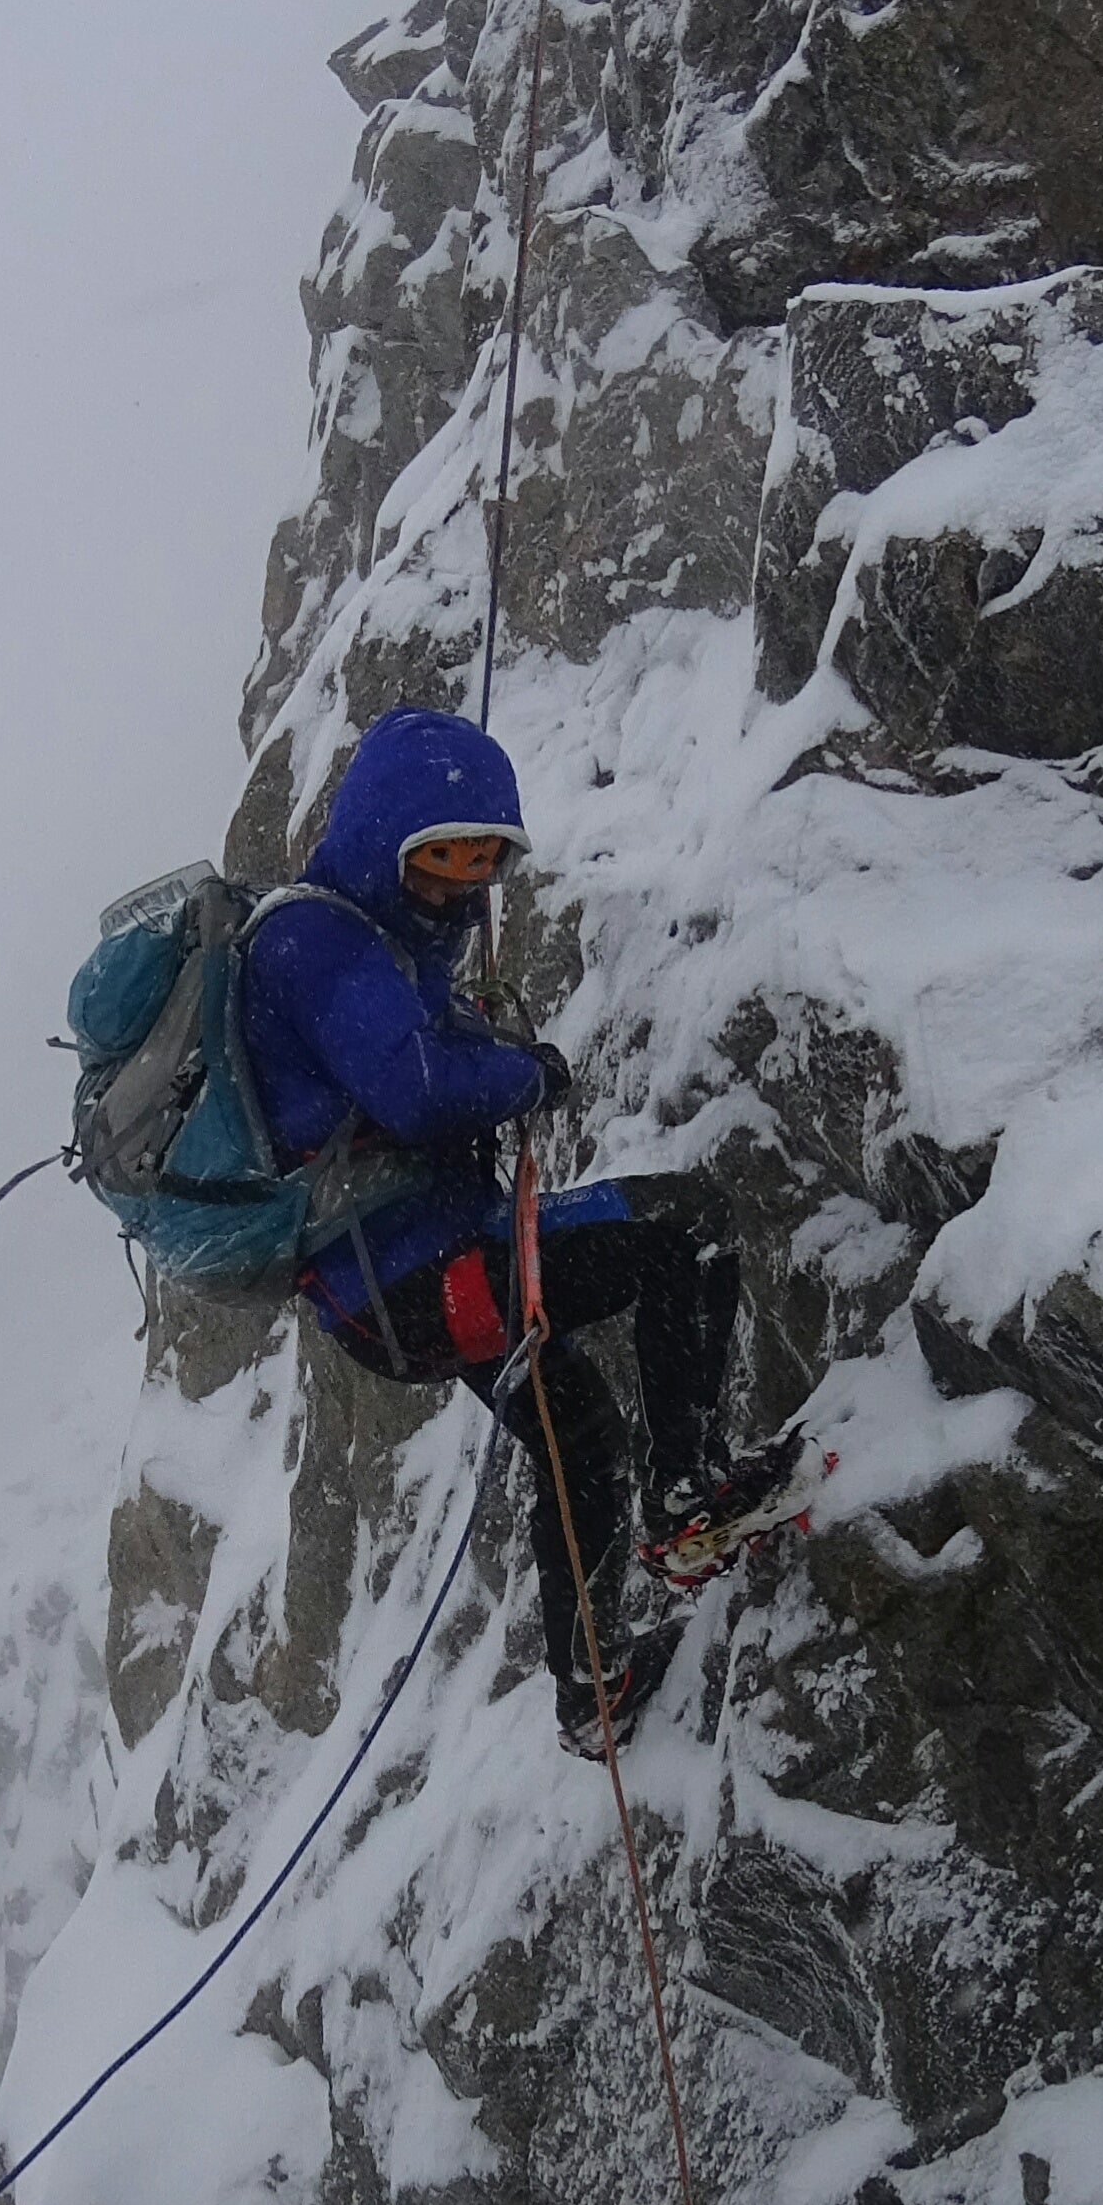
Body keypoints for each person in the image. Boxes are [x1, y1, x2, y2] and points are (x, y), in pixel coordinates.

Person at [240, 704, 792, 1752]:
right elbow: (416, 1087)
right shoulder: (317, 942)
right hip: (429, 1269)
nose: (461, 881)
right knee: (691, 1229)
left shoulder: (358, 933)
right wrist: (526, 1072)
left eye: (483, 857)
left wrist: (476, 1041)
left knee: (578, 1435)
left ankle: (595, 1696)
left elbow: (398, 1055)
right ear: (377, 840)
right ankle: (689, 1498)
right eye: (440, 855)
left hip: (394, 1281)